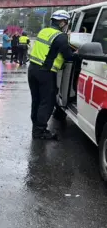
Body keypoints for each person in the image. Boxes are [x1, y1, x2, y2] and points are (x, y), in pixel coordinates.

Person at [28, 10, 75, 140]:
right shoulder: (61, 37)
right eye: (66, 23)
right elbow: (68, 56)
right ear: (61, 22)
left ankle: (36, 127)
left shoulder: (44, 31)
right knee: (47, 101)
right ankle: (40, 131)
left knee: (36, 100)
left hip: (32, 69)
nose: (66, 25)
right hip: (45, 72)